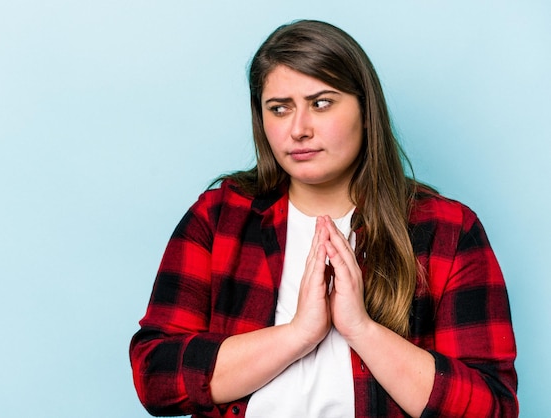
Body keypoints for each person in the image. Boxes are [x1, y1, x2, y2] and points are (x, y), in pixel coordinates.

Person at [129, 20, 518, 418]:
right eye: (279, 109)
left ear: (366, 112)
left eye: (321, 103)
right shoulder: (219, 217)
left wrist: (362, 330)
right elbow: (154, 377)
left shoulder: (447, 231)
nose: (298, 130)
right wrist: (297, 335)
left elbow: (492, 409)